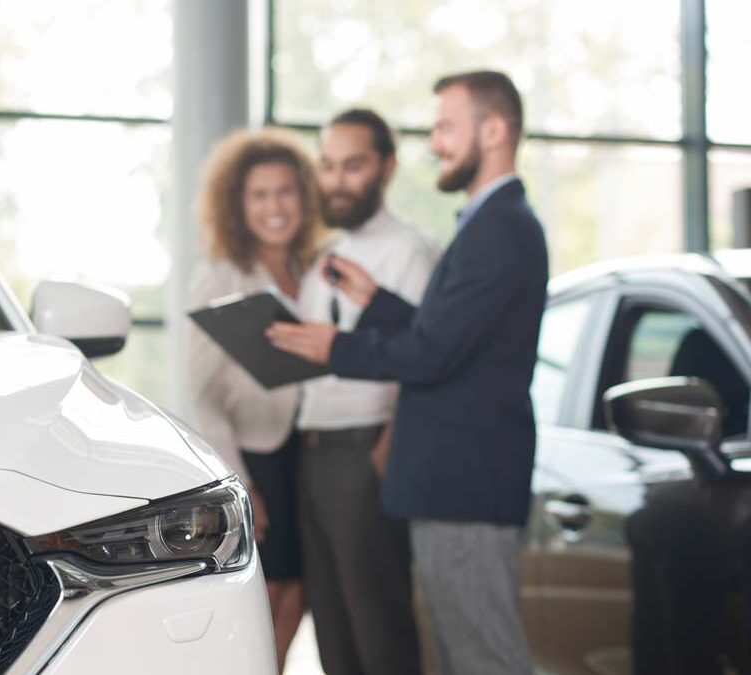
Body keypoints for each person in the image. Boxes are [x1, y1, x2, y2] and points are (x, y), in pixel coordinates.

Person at [267, 71, 549, 675]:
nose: (436, 142)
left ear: (494, 130)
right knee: (461, 654)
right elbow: (445, 336)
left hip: (466, 483)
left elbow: (429, 356)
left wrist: (334, 347)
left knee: (482, 656)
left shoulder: (500, 228)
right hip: (453, 481)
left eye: (447, 127)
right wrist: (378, 302)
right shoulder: (486, 223)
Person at [296, 108, 438, 675]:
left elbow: (428, 357)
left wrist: (391, 443)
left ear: (387, 167)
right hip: (313, 453)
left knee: (378, 628)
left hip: (365, 452)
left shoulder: (411, 251)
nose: (336, 180)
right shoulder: (323, 257)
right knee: (332, 630)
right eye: (328, 165)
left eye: (352, 166)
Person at [185, 127, 322, 672]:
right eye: (259, 195)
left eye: (285, 192)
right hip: (256, 454)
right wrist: (242, 483)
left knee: (299, 591)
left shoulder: (314, 270)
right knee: (267, 593)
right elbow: (204, 395)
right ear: (237, 205)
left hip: (307, 452)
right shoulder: (219, 276)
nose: (274, 207)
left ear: (304, 198)